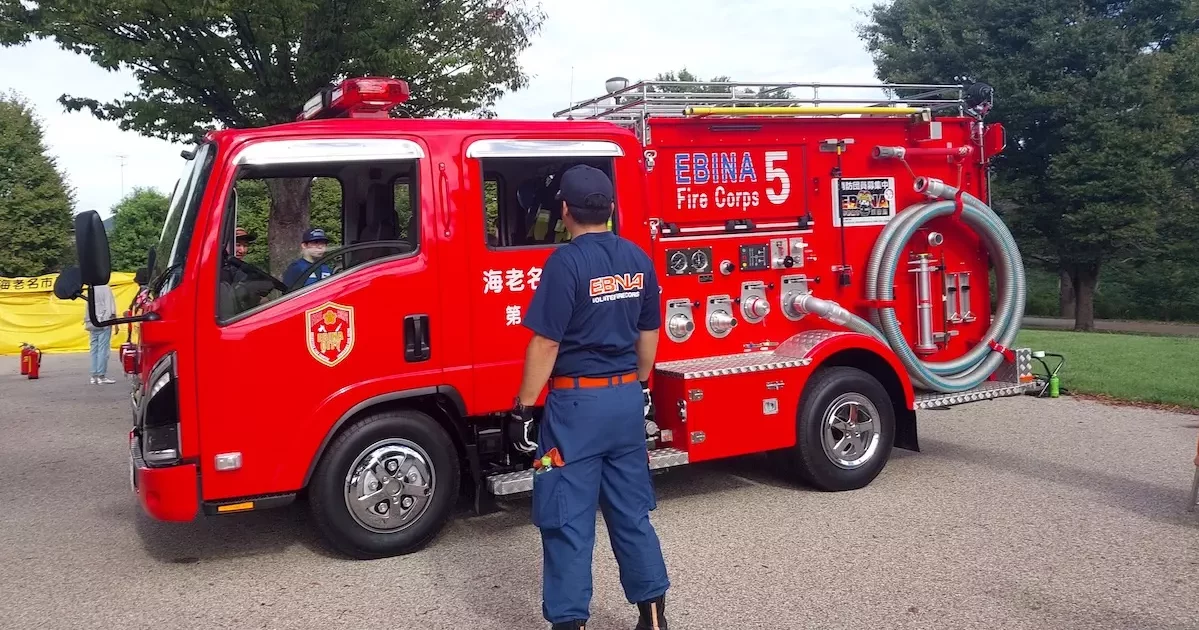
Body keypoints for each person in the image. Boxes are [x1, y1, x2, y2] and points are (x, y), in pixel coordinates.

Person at [510, 164, 670, 630]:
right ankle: (654, 616)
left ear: (565, 211)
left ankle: (569, 622)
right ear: (611, 209)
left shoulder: (566, 262)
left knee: (566, 518)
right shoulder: (638, 258)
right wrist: (638, 384)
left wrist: (523, 405)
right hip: (623, 403)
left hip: (575, 410)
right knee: (631, 513)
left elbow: (545, 343)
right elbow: (649, 332)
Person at [84, 283, 117, 384]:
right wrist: (114, 322)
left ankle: (93, 375)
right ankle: (101, 375)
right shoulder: (106, 288)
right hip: (104, 321)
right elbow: (110, 305)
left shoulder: (91, 288)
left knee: (94, 349)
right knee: (103, 349)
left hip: (92, 322)